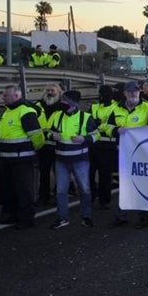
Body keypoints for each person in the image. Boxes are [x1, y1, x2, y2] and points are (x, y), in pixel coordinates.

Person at [47, 90, 97, 229]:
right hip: (61, 160)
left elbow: (96, 135)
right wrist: (52, 136)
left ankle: (86, 216)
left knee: (84, 189)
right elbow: (49, 132)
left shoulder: (86, 117)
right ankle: (62, 218)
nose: (63, 103)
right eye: (62, 100)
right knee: (61, 191)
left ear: (74, 104)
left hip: (80, 160)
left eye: (66, 101)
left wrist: (84, 139)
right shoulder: (57, 116)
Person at [0, 84, 46, 230]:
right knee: (10, 189)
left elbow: (37, 136)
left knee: (24, 190)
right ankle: (13, 215)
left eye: (6, 95)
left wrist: (33, 150)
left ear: (16, 96)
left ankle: (26, 218)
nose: (3, 97)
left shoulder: (25, 112)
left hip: (22, 159)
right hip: (7, 158)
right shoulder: (7, 112)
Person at [115, 81, 148, 228]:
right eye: (130, 91)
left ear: (140, 92)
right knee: (124, 184)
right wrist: (115, 130)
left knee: (142, 185)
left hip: (142, 154)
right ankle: (121, 216)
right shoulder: (116, 108)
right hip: (124, 153)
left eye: (136, 91)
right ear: (124, 93)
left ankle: (144, 218)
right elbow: (105, 126)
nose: (133, 93)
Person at [89, 85, 126, 212]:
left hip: (108, 146)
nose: (102, 96)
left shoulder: (116, 108)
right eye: (101, 94)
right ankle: (92, 196)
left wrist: (99, 124)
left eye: (105, 94)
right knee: (90, 174)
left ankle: (104, 200)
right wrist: (99, 125)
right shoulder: (94, 107)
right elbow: (89, 123)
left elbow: (115, 125)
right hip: (94, 145)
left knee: (105, 175)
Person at [34, 83, 64, 207]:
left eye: (53, 90)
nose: (50, 92)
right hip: (43, 145)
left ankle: (59, 195)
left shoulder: (63, 106)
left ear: (59, 92)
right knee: (44, 172)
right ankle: (43, 196)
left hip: (58, 145)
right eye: (48, 90)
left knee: (59, 172)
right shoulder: (38, 105)